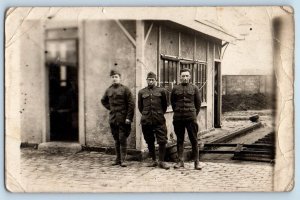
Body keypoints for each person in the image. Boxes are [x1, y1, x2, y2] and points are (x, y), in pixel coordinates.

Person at [101, 69, 134, 167]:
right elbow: (103, 100)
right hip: (113, 119)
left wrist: (129, 117)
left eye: (116, 77)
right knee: (116, 139)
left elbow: (131, 104)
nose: (114, 79)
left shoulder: (125, 89)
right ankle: (117, 159)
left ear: (120, 78)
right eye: (113, 77)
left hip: (123, 119)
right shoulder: (109, 90)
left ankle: (123, 160)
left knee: (122, 139)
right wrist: (110, 108)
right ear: (111, 78)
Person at [171, 68, 202, 170]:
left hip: (190, 118)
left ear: (190, 77)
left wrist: (193, 115)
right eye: (183, 76)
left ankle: (197, 162)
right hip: (178, 118)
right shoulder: (175, 89)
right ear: (180, 77)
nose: (184, 78)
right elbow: (173, 103)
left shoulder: (194, 88)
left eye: (186, 76)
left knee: (194, 140)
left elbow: (198, 104)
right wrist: (178, 112)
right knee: (180, 139)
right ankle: (180, 161)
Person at [138, 72, 170, 170]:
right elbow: (140, 107)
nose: (151, 81)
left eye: (152, 80)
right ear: (146, 80)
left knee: (162, 140)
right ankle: (154, 160)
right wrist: (146, 114)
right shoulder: (142, 92)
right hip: (146, 120)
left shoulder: (162, 91)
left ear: (156, 81)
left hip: (159, 120)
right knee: (149, 140)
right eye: (149, 80)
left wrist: (159, 114)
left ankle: (161, 161)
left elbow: (165, 106)